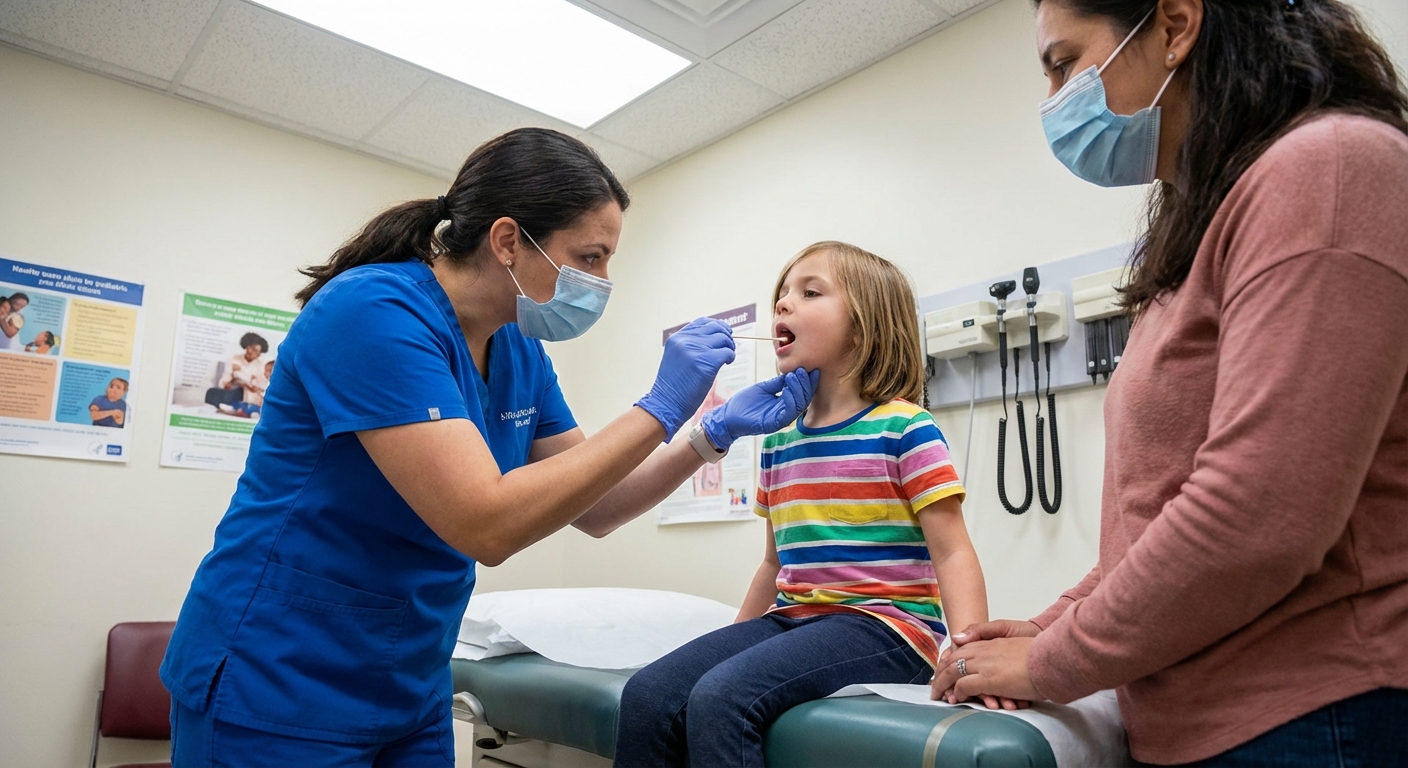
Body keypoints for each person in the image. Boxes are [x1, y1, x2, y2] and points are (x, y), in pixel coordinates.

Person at [160, 128, 819, 766]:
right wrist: (660, 406)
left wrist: (709, 435)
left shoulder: (517, 348)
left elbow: (595, 506)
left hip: (409, 678)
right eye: (590, 256)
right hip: (278, 673)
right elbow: (486, 522)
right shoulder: (372, 313)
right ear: (509, 240)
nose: (604, 279)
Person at [932, 1, 1408, 765]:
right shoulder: (1201, 228)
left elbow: (1256, 515)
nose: (1053, 100)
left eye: (1063, 63)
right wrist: (1050, 626)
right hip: (1194, 721)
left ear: (1176, 26)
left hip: (1313, 717)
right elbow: (1157, 522)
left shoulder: (1331, 167)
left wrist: (1053, 662)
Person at [614, 242, 988, 768]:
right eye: (781, 295)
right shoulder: (778, 441)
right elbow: (774, 563)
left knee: (723, 699)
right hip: (795, 617)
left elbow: (953, 554)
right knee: (648, 695)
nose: (783, 305)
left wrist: (969, 654)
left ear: (864, 326)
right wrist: (737, 635)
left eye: (809, 292)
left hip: (886, 627)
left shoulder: (906, 428)